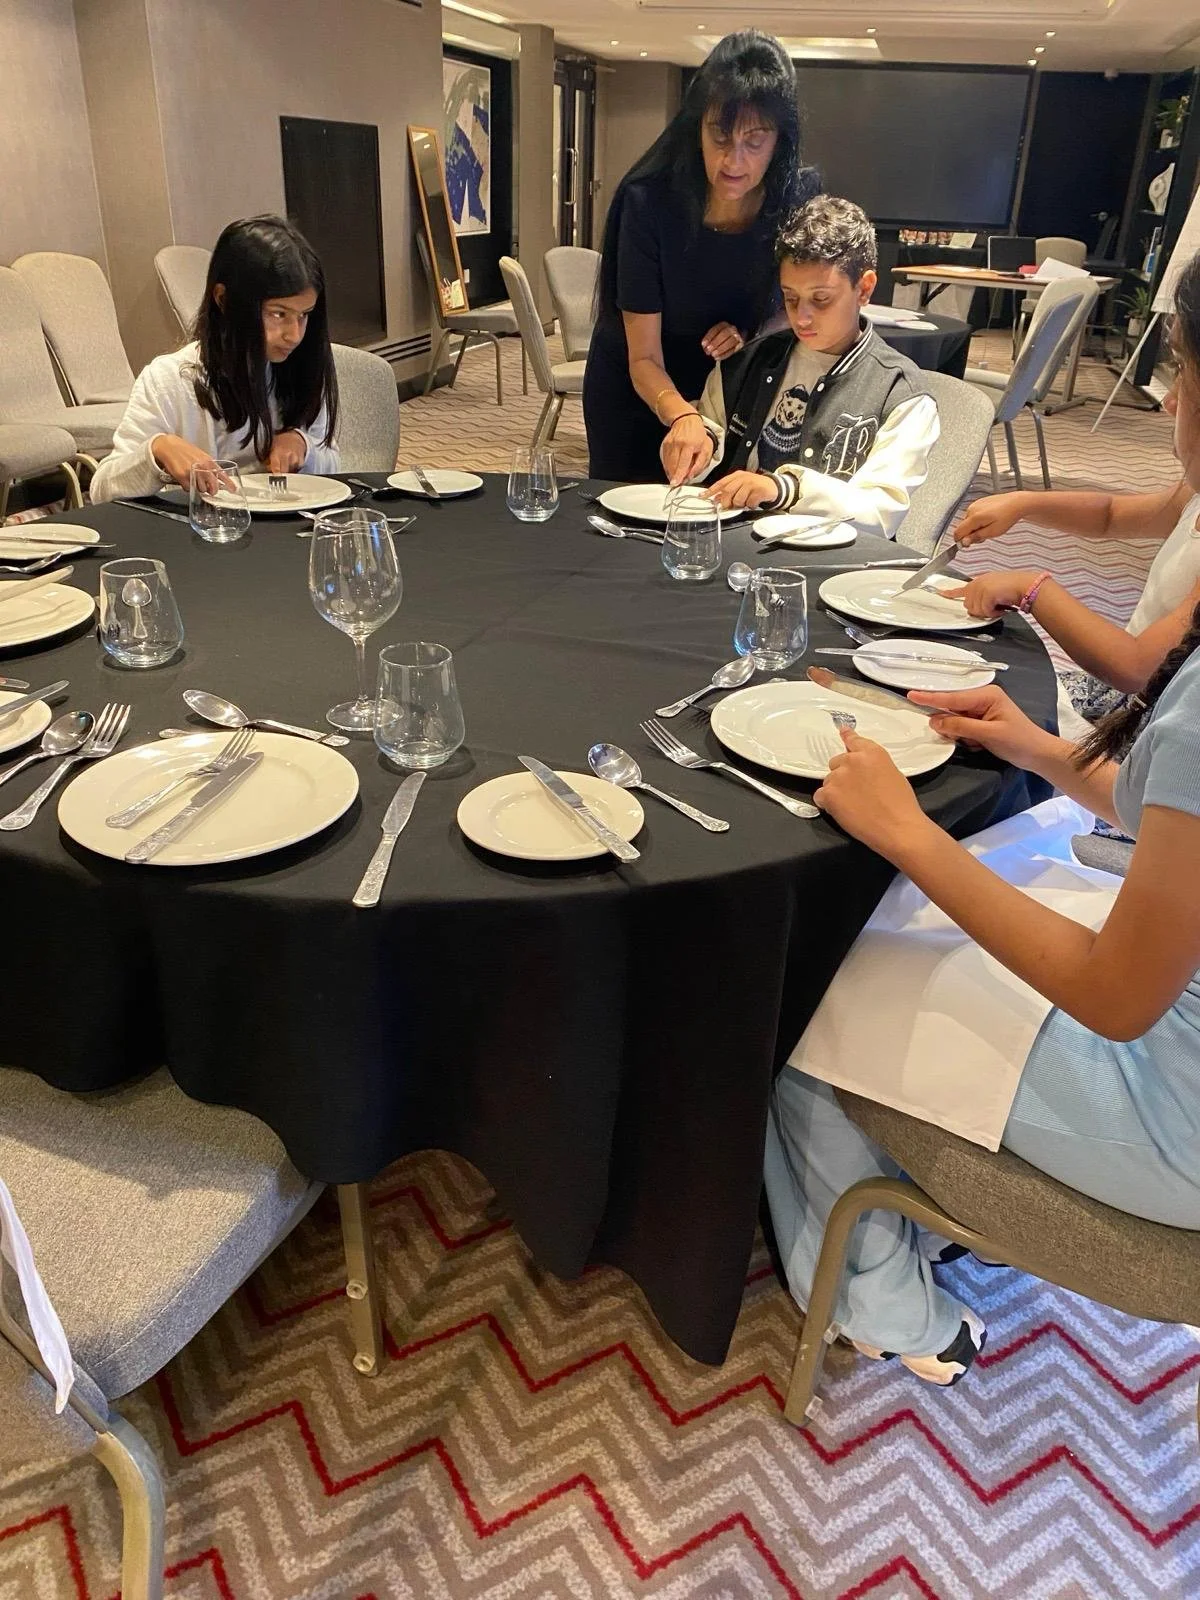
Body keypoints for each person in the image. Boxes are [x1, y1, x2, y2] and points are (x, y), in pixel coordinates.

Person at [764, 251, 1200, 1388]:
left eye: (1177, 380)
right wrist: (1032, 744)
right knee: (935, 903)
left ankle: (885, 1303)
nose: (1166, 409)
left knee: (811, 979)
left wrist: (907, 828)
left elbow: (1117, 995)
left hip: (1177, 1118)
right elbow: (1171, 822)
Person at [583, 30, 817, 484]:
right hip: (640, 385)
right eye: (720, 136)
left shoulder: (795, 198)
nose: (734, 160)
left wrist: (747, 332)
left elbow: (789, 310)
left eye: (755, 141)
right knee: (624, 522)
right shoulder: (649, 202)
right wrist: (681, 416)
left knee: (715, 526)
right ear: (697, 127)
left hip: (728, 391)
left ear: (779, 141)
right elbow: (643, 358)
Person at [660, 195, 939, 535]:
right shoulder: (747, 362)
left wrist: (785, 490)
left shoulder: (900, 392)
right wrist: (695, 445)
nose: (801, 317)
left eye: (821, 299)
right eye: (790, 298)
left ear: (864, 289)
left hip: (833, 571)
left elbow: (880, 515)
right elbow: (712, 432)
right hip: (734, 549)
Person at [90, 216, 339, 503]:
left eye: (304, 315)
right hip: (206, 536)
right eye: (278, 314)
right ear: (223, 299)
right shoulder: (171, 379)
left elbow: (332, 461)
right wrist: (158, 451)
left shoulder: (301, 367)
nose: (294, 335)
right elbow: (102, 490)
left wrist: (303, 446)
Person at [946, 473, 1200, 739]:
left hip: (1158, 728)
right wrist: (1025, 504)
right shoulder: (1193, 491)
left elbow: (1135, 668)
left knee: (980, 726)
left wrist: (1031, 589)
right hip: (1117, 693)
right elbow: (1110, 515)